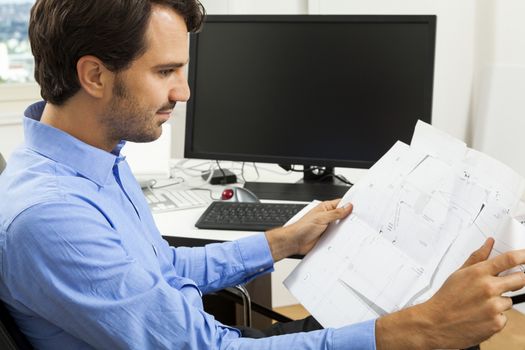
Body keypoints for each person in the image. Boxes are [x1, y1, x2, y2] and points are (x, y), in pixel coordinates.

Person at [0, 0, 524, 349]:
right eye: (165, 72)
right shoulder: (52, 216)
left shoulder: (93, 159)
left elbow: (163, 268)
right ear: (93, 75)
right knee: (436, 328)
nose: (183, 92)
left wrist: (278, 241)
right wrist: (420, 329)